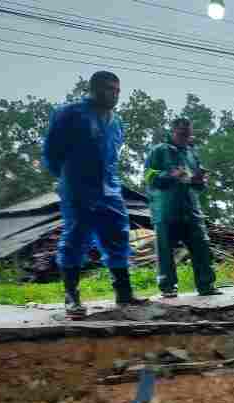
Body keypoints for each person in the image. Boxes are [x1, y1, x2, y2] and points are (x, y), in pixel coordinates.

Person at [42, 70, 142, 319]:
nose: (114, 95)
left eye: (118, 90)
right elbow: (52, 152)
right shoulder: (70, 113)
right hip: (78, 186)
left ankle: (124, 292)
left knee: (118, 234)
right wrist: (69, 179)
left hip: (110, 186)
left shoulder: (117, 121)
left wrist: (108, 181)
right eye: (109, 89)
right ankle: (71, 296)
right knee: (77, 236)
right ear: (94, 88)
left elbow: (112, 154)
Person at [143, 118, 221, 298]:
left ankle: (206, 285)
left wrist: (200, 180)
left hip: (191, 209)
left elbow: (198, 186)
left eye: (188, 133)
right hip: (166, 210)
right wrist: (171, 175)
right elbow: (148, 176)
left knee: (201, 246)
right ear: (173, 131)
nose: (185, 136)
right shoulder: (159, 151)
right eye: (181, 133)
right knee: (165, 250)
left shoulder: (192, 153)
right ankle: (168, 287)